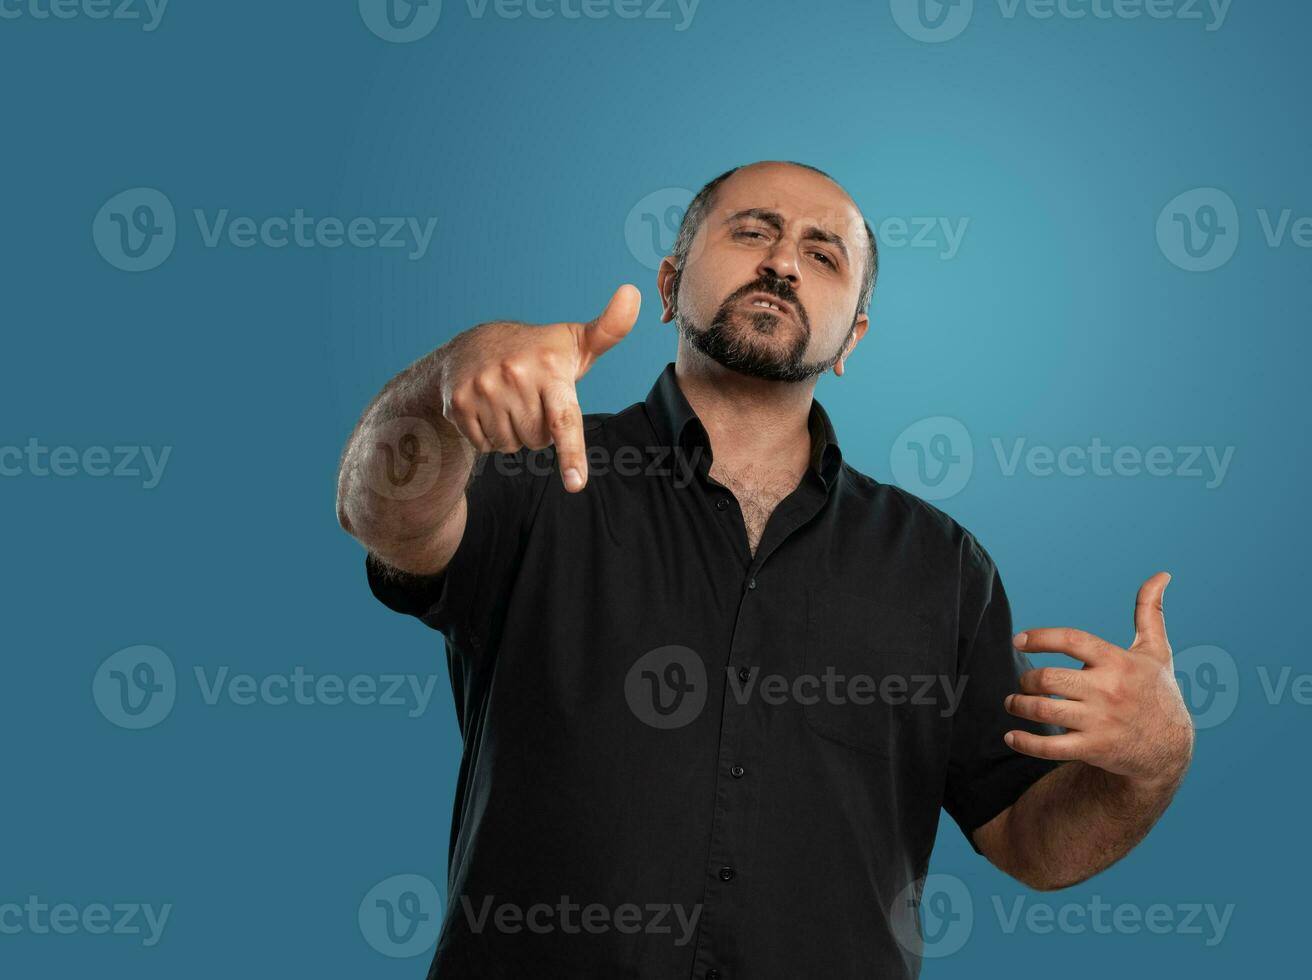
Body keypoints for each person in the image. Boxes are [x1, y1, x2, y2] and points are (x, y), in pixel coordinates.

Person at [335, 160, 1195, 979]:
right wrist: (447, 385)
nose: (784, 262)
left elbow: (1030, 841)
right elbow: (383, 516)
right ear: (670, 284)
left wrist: (1153, 765)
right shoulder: (532, 474)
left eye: (823, 255)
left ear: (852, 334)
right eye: (753, 233)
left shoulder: (942, 567)